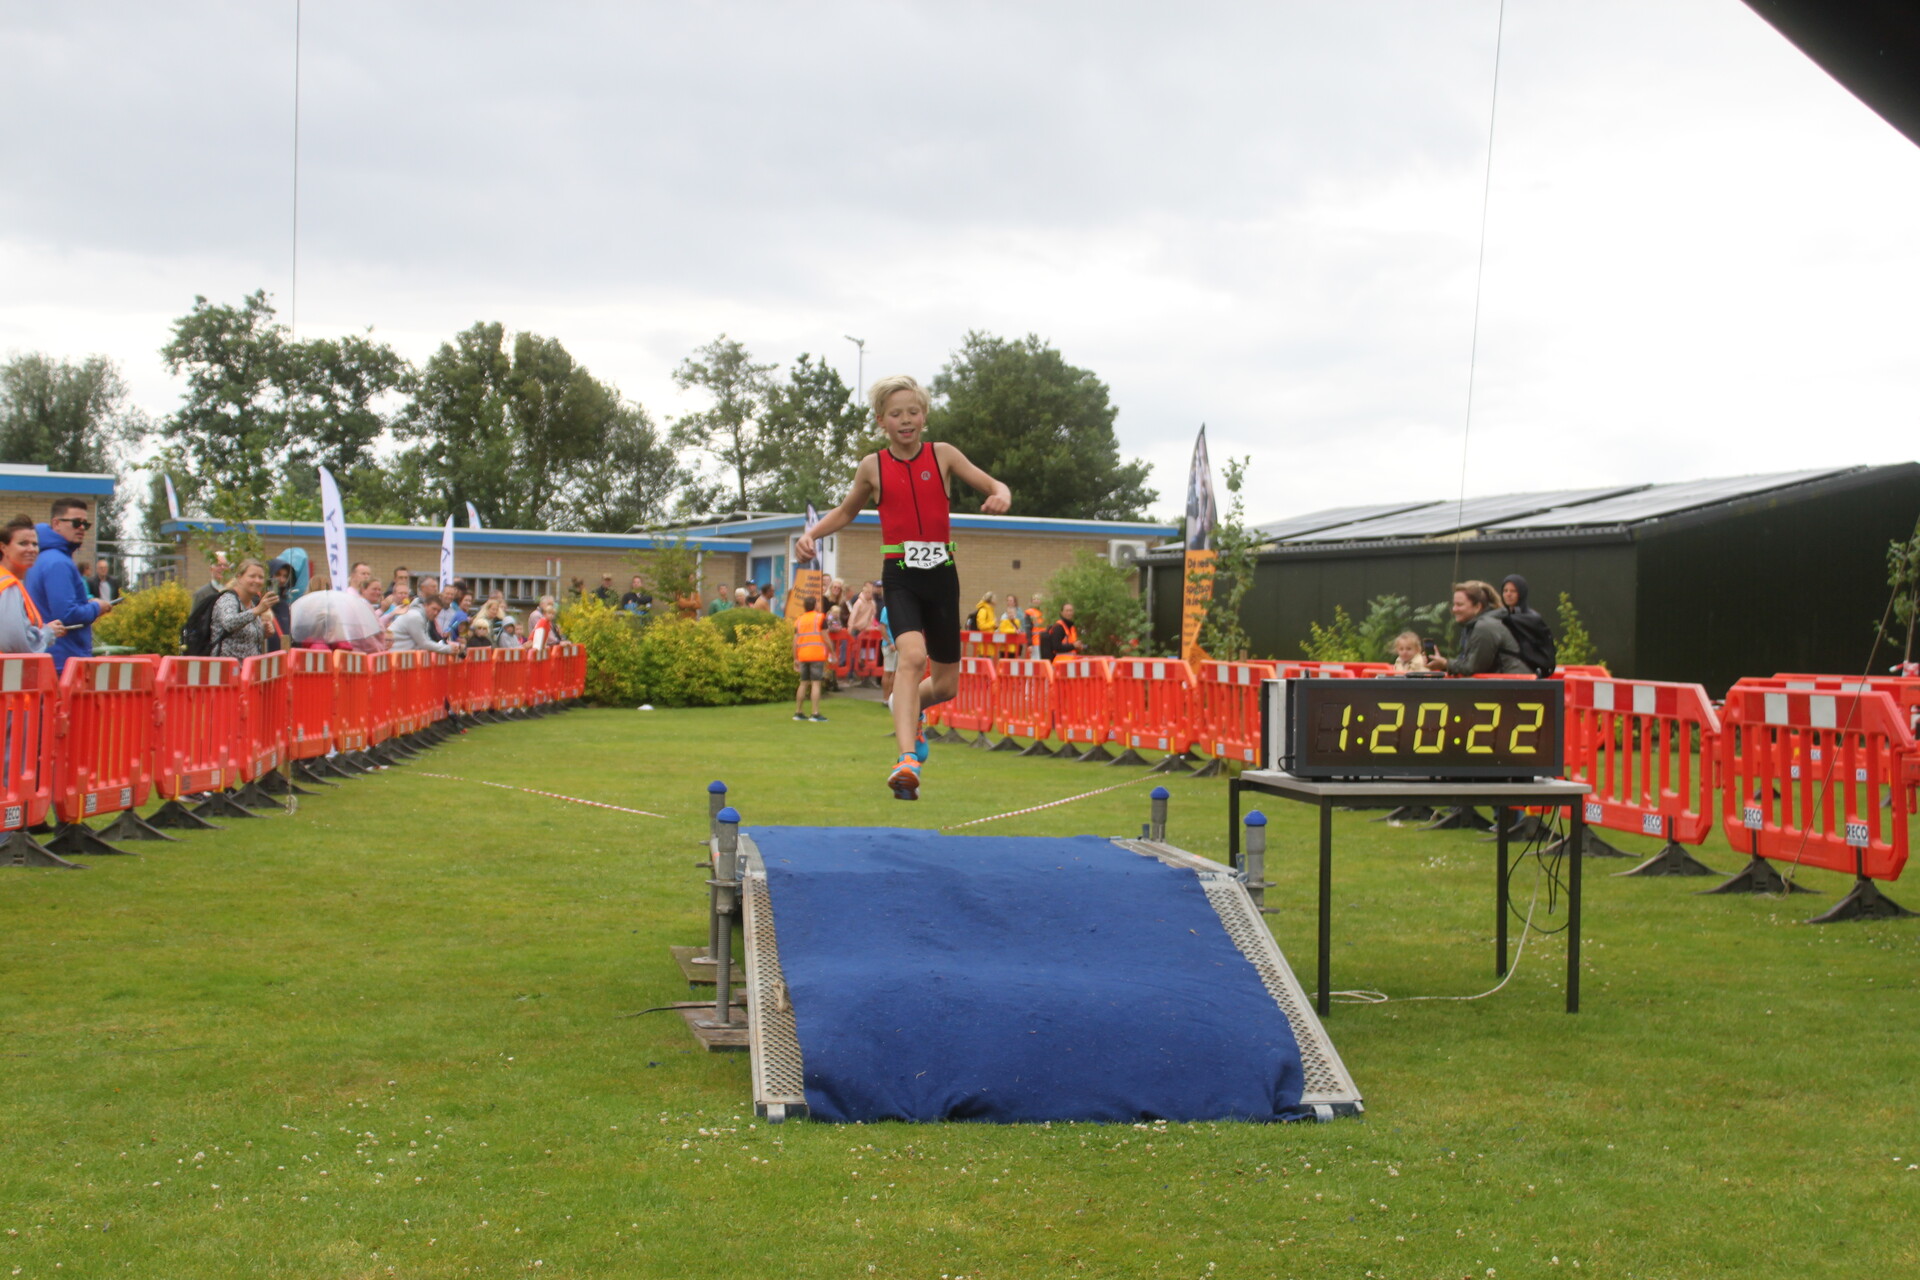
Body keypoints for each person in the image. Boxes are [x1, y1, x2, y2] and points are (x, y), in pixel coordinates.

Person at [796, 373, 1011, 799]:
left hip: (942, 574)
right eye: (896, 414)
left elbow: (992, 484)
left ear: (924, 416)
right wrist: (812, 535)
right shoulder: (872, 467)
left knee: (947, 684)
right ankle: (906, 759)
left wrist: (1002, 493)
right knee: (912, 657)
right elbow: (845, 511)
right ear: (882, 421)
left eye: (913, 411)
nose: (906, 420)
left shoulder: (943, 455)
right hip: (900, 574)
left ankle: (904, 706)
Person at [25, 499, 112, 672]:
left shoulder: (45, 557)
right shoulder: (58, 562)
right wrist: (97, 607)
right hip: (63, 660)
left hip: (51, 656)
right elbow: (66, 614)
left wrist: (87, 602)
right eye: (76, 523)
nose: (81, 528)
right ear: (56, 523)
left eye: (85, 524)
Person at [1427, 580, 1530, 676]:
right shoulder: (1478, 625)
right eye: (1454, 604)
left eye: (1459, 605)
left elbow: (1472, 668)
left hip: (1514, 688)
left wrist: (1445, 663)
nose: (1454, 609)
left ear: (1477, 607)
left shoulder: (1485, 627)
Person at [0, 516, 69, 655]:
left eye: (35, 544)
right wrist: (47, 632)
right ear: (3, 547)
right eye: (23, 543)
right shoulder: (8, 586)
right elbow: (16, 644)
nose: (31, 549)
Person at [209, 558, 278, 659]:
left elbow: (244, 637)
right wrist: (257, 611)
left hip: (248, 670)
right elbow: (229, 623)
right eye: (252, 576)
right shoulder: (228, 599)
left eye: (261, 577)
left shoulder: (252, 604)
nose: (257, 581)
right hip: (226, 670)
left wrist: (264, 632)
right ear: (239, 577)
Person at [791, 594, 830, 722]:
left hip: (803, 654)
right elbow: (825, 637)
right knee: (816, 684)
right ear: (815, 605)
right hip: (816, 654)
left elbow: (795, 641)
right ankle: (815, 713)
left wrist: (795, 658)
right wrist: (832, 651)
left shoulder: (799, 620)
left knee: (803, 683)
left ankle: (798, 711)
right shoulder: (820, 618)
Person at [390, 593, 460, 653]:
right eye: (434, 609)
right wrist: (448, 649)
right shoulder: (416, 617)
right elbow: (424, 643)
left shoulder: (423, 618)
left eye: (438, 611)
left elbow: (427, 641)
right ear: (425, 605)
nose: (435, 613)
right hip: (394, 657)